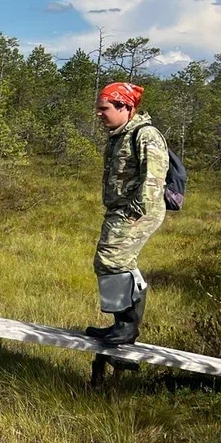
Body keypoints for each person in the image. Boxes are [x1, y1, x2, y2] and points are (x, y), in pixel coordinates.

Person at [84, 82, 168, 346]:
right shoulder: (119, 134)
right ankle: (121, 326)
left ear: (124, 106)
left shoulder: (145, 135)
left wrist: (134, 213)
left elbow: (154, 179)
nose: (99, 114)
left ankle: (126, 327)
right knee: (116, 262)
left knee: (110, 259)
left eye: (104, 108)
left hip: (137, 211)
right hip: (121, 210)